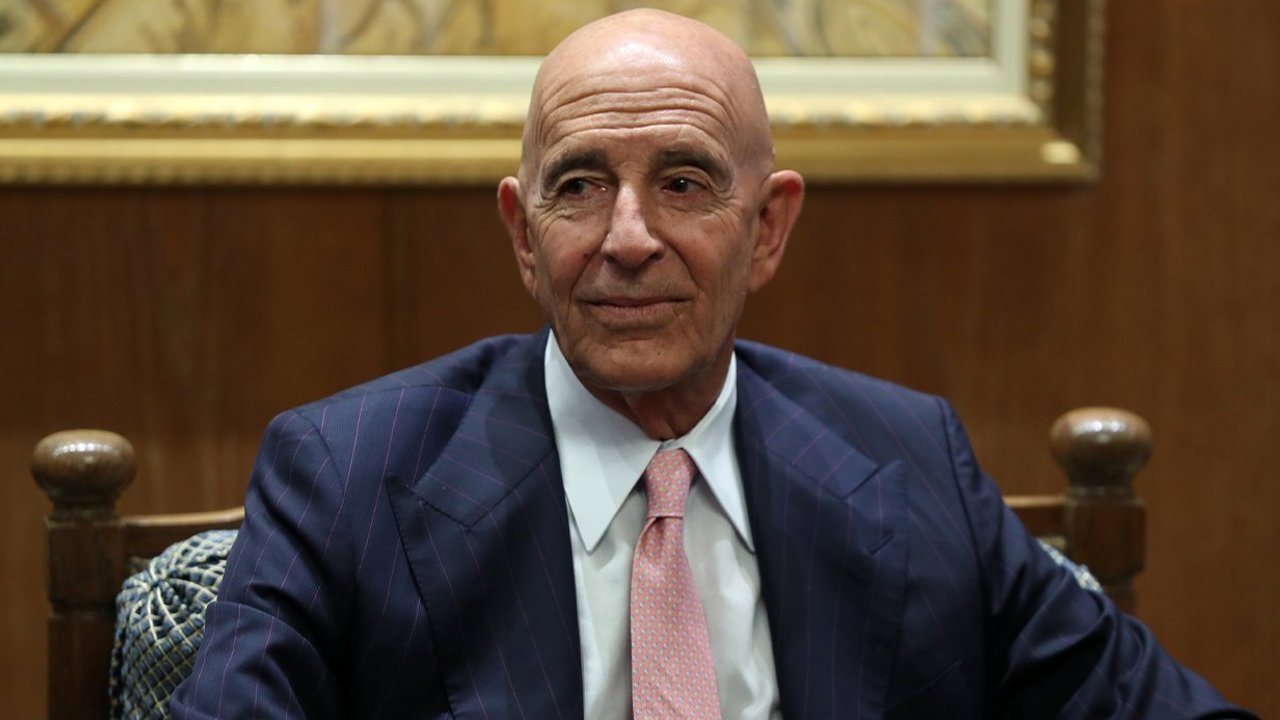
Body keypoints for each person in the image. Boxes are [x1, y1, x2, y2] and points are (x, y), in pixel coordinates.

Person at [172, 9, 1253, 719]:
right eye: (579, 186)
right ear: (521, 235)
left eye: (684, 184)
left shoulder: (908, 463)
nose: (628, 238)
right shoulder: (347, 474)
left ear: (768, 228)